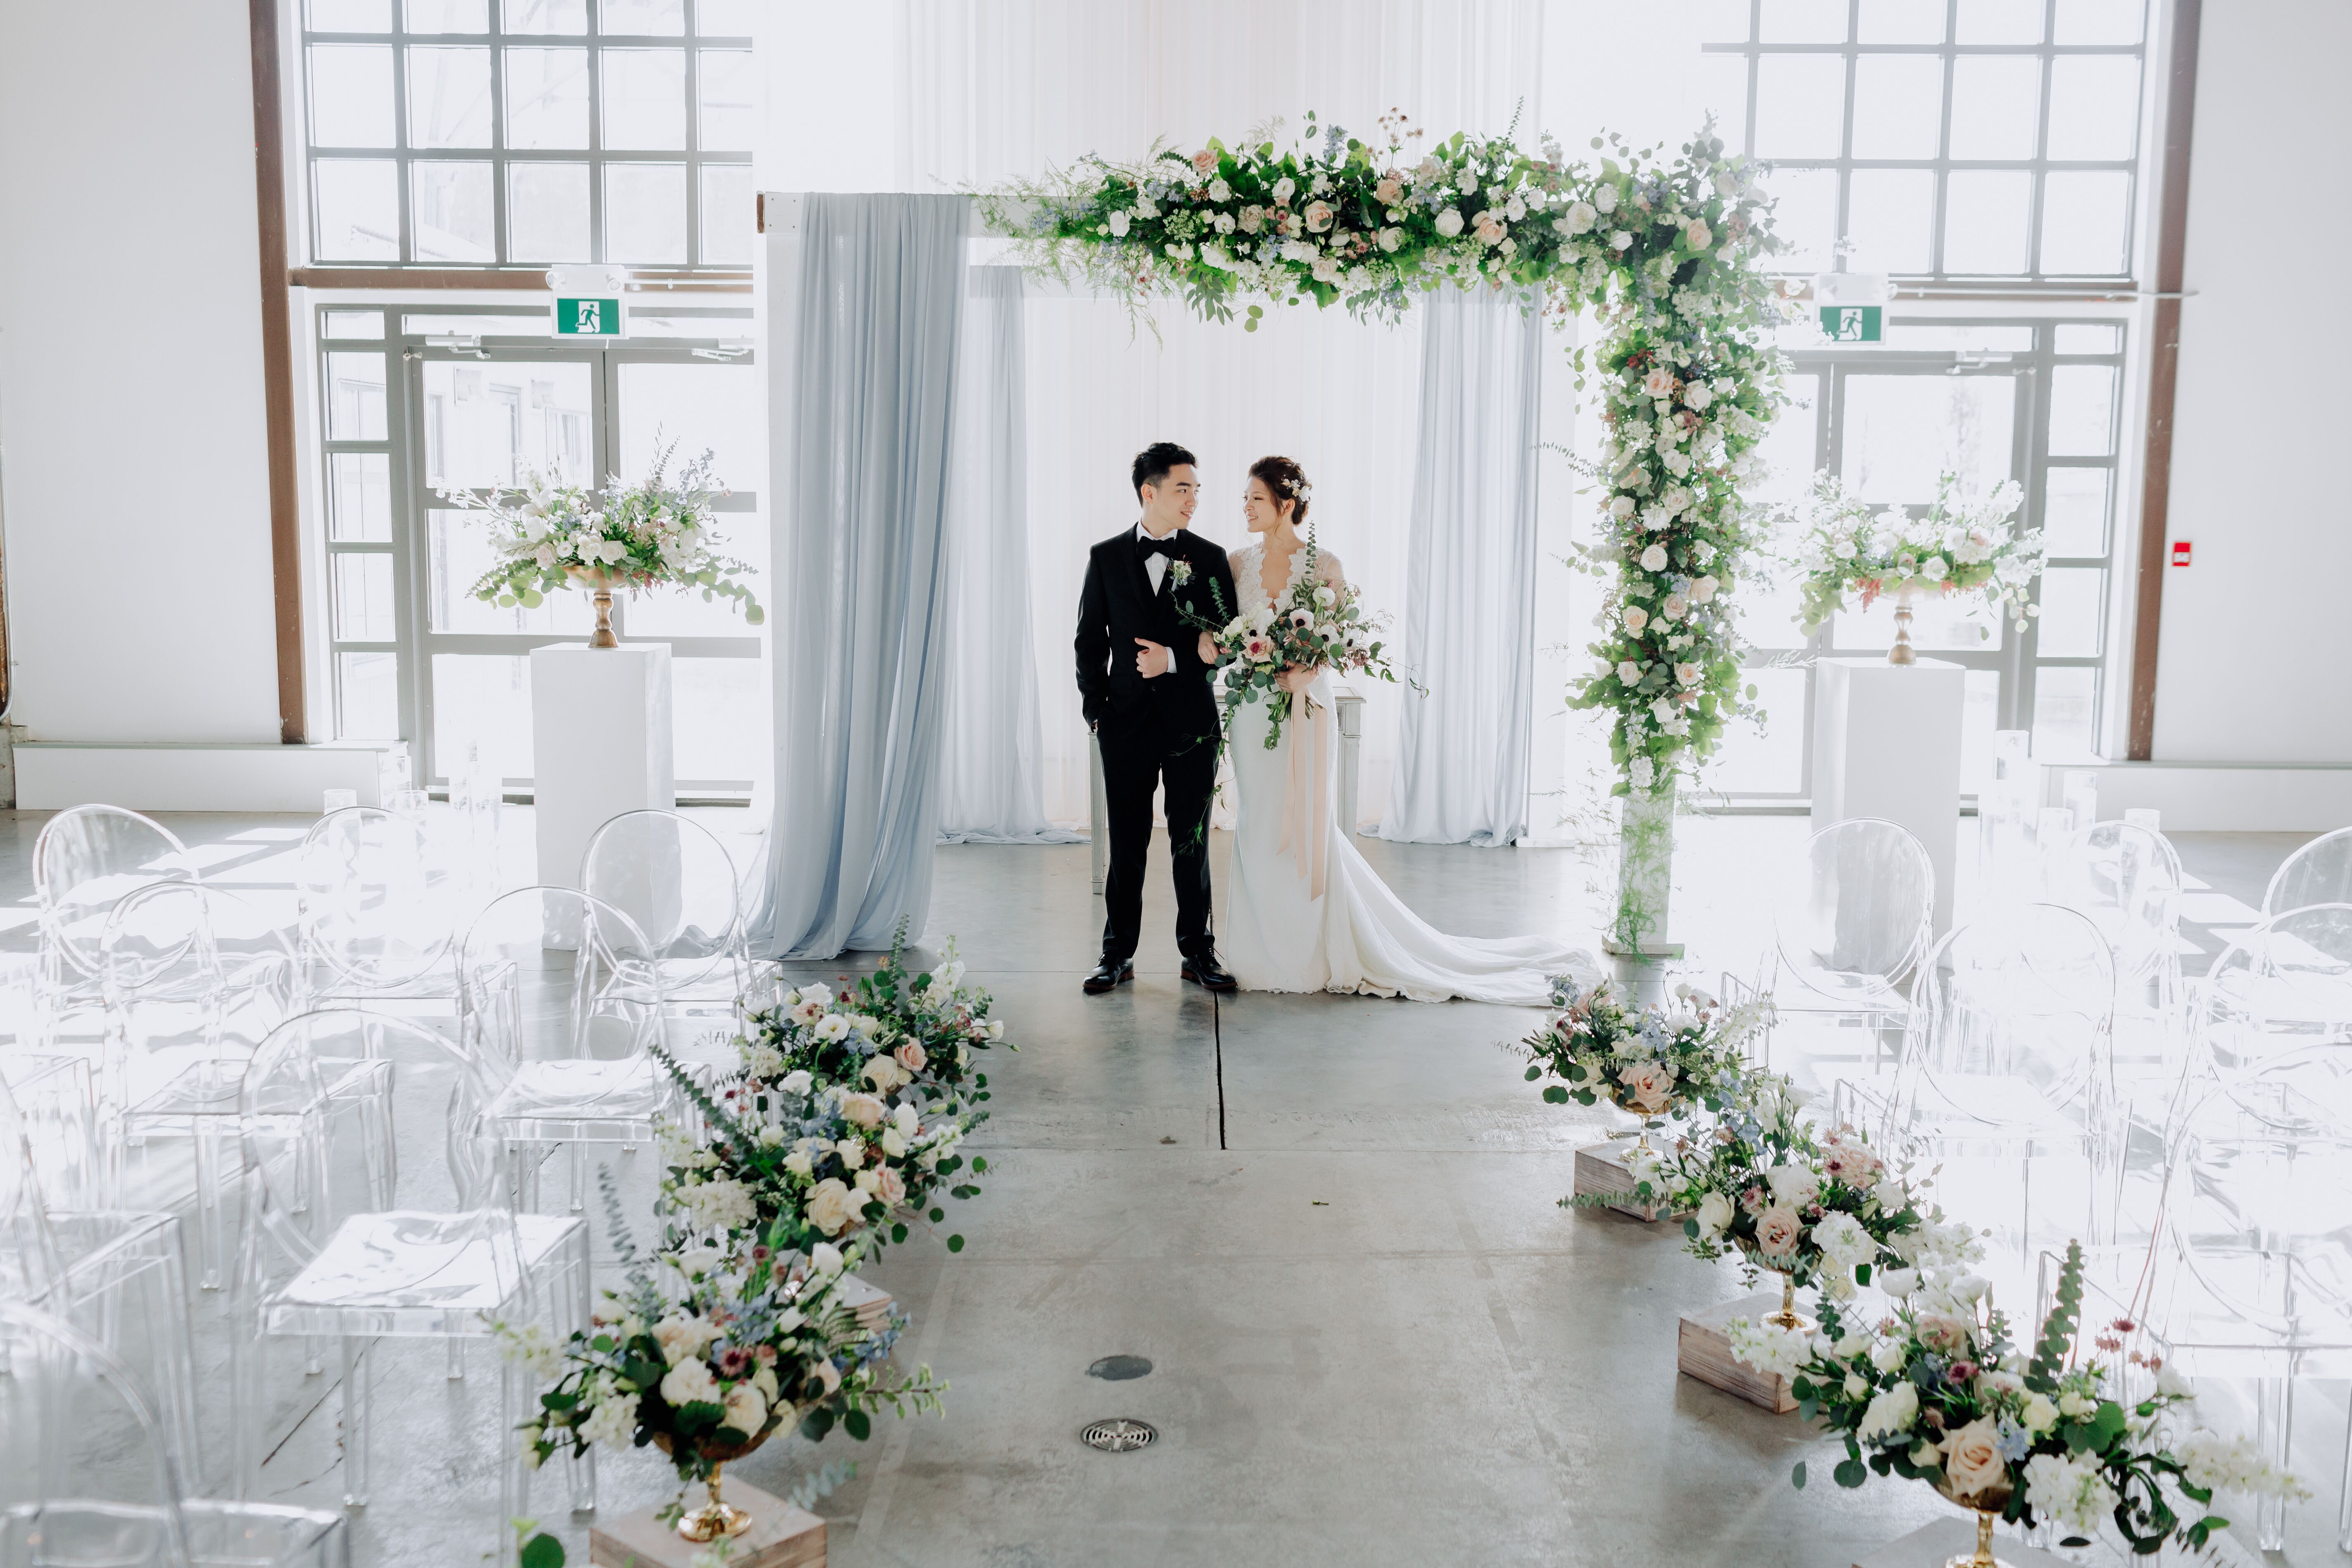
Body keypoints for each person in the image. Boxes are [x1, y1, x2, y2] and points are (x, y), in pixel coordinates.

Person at [1218, 455, 1597, 1003]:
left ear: (1287, 504)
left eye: (1255, 498)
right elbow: (1229, 636)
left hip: (1307, 707)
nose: (1246, 508)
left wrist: (1312, 665)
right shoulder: (1235, 565)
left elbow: (1341, 640)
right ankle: (1259, 955)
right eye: (1245, 499)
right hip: (1256, 711)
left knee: (1306, 819)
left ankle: (1312, 952)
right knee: (1258, 822)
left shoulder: (1324, 565)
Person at [1074, 442, 1241, 995]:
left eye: (1197, 489)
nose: (1194, 499)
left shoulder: (1211, 558)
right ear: (1150, 492)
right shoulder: (1105, 558)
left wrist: (1172, 659)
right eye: (1183, 488)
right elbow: (1088, 641)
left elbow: (1231, 640)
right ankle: (1115, 954)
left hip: (1191, 723)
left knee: (1190, 843)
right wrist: (1096, 711)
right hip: (1122, 724)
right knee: (1128, 843)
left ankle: (1198, 952)